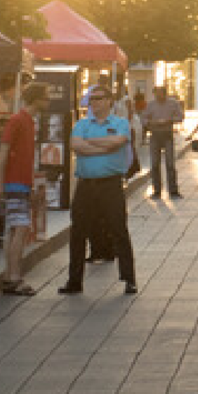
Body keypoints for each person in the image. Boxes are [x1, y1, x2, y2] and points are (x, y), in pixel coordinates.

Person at [61, 84, 137, 295]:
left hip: (110, 185)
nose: (94, 103)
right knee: (78, 232)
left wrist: (90, 144)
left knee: (119, 230)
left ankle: (129, 279)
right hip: (85, 185)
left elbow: (118, 141)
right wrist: (104, 145)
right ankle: (74, 281)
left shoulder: (120, 123)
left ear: (109, 101)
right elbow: (76, 145)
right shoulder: (81, 125)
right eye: (91, 99)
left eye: (98, 98)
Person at [0, 82, 50, 295]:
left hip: (21, 181)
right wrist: (0, 182)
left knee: (13, 228)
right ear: (35, 98)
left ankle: (10, 276)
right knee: (21, 227)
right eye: (45, 97)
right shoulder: (18, 120)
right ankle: (15, 277)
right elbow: (4, 151)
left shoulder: (29, 121)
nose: (48, 101)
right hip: (15, 181)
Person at [142, 85, 184, 199]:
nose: (159, 96)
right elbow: (144, 119)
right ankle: (157, 191)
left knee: (170, 164)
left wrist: (169, 120)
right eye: (157, 94)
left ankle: (173, 190)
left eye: (161, 93)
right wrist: (152, 122)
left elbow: (180, 116)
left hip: (167, 135)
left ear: (165, 93)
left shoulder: (173, 103)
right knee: (155, 164)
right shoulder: (151, 105)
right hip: (155, 135)